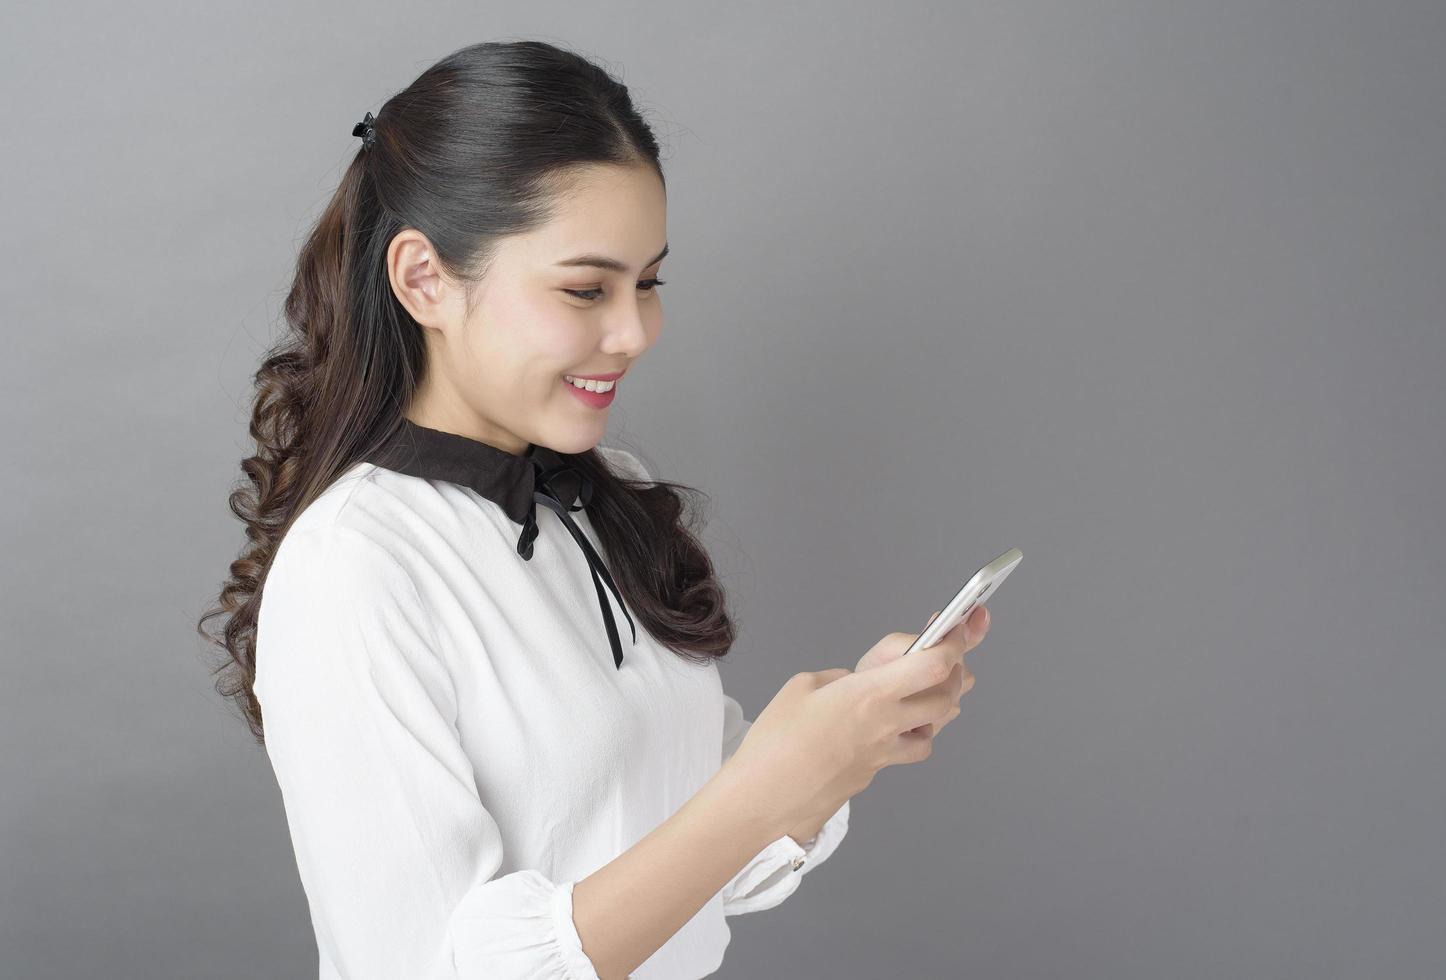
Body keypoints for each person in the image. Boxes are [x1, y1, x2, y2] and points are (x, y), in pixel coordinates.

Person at [195, 39, 989, 980]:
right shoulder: (356, 567)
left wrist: (831, 750)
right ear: (424, 280)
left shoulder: (593, 492)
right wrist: (760, 791)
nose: (634, 331)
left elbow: (691, 862)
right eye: (585, 288)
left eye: (648, 281)